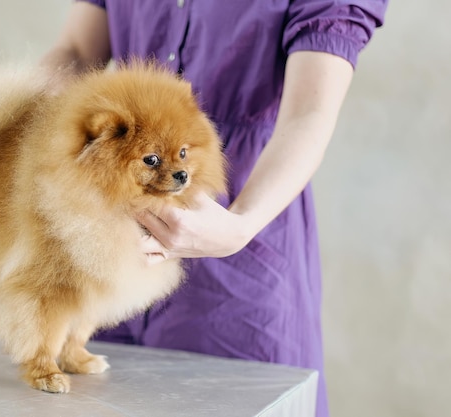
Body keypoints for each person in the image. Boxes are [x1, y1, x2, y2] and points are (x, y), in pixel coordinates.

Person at [41, 1, 388, 416]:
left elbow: (308, 114)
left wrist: (241, 224)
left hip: (240, 251)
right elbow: (78, 52)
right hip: (111, 241)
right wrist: (28, 125)